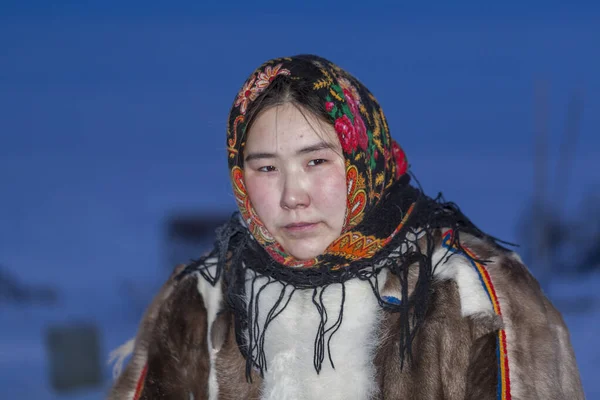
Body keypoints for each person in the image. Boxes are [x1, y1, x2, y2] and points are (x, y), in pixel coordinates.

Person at [108, 55, 584, 399]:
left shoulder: (474, 296)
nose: (293, 195)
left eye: (316, 161)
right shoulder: (201, 302)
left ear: (364, 158)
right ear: (239, 175)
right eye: (267, 168)